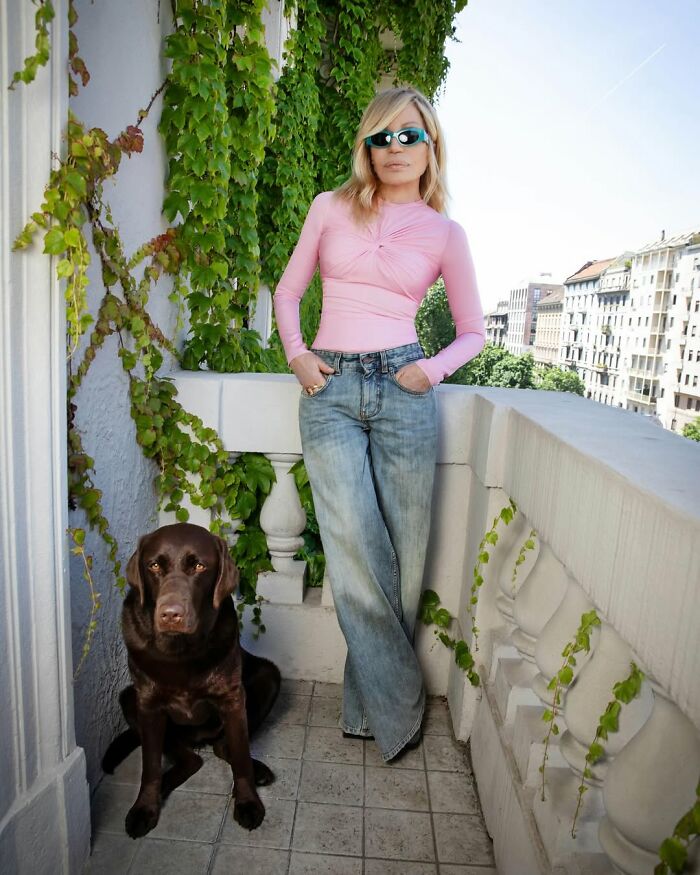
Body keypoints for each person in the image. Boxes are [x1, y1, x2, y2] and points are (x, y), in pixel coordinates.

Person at [273, 86, 485, 762]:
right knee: (353, 548)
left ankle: (366, 713)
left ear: (431, 148)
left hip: (404, 389)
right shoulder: (329, 208)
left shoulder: (446, 233)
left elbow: (474, 333)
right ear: (366, 147)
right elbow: (288, 292)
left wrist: (433, 370)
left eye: (409, 136)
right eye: (383, 137)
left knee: (403, 556)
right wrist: (298, 354)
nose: (395, 148)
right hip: (330, 388)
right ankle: (404, 710)